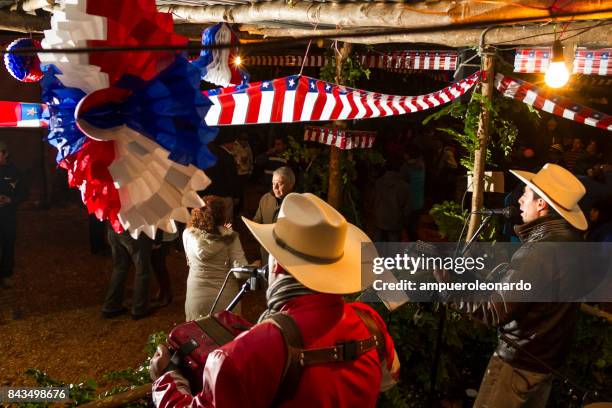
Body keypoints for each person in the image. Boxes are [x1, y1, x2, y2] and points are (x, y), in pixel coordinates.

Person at [150, 193, 400, 407]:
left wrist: (166, 379)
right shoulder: (370, 322)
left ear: (277, 265)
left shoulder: (243, 355)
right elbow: (387, 380)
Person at [436, 163, 587, 408]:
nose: (519, 200)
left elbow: (494, 311)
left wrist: (447, 289)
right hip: (545, 364)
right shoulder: (574, 243)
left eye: (526, 193)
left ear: (542, 204)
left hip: (518, 367)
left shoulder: (539, 252)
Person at [183, 196, 248, 320]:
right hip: (226, 300)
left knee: (198, 337)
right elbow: (241, 273)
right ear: (222, 214)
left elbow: (189, 262)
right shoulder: (231, 237)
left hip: (197, 298)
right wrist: (254, 266)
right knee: (227, 337)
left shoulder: (187, 234)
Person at [102, 226, 155, 320]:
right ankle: (140, 308)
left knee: (119, 268)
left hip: (114, 227)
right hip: (134, 230)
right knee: (142, 270)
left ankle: (111, 306)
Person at [253, 166, 295, 263]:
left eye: (279, 184)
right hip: (266, 253)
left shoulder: (297, 203)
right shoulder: (266, 199)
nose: (275, 187)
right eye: (273, 183)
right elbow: (257, 221)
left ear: (291, 184)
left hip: (286, 257)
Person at [0, 140, 27, 289]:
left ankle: (6, 274)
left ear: (6, 154)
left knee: (8, 244)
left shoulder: (14, 172)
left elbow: (24, 193)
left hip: (7, 216)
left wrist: (11, 200)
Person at [373, 159, 411, 242]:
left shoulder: (378, 182)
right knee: (393, 245)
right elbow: (406, 209)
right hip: (395, 221)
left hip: (379, 217)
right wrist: (405, 222)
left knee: (376, 242)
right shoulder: (405, 186)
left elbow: (373, 199)